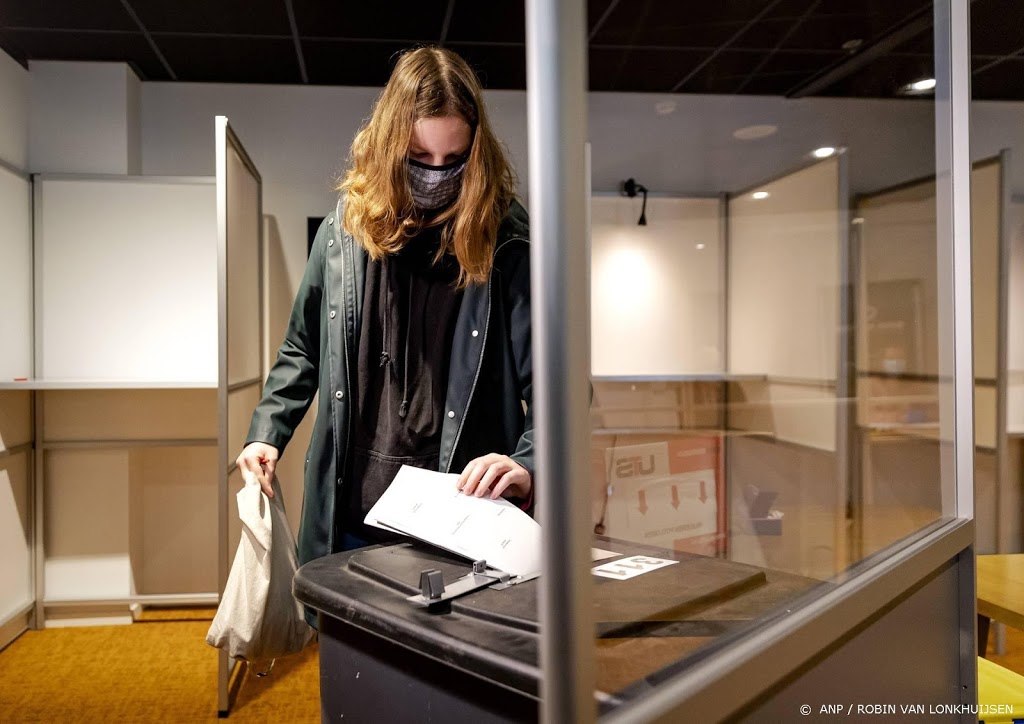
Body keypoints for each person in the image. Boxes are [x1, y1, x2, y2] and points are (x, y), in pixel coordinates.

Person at [236, 46, 534, 579]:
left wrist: (529, 464)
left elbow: (560, 387)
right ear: (389, 145)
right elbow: (302, 348)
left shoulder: (505, 240)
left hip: (463, 521)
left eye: (454, 159)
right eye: (419, 158)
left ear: (476, 150)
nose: (436, 175)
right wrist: (267, 431)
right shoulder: (342, 233)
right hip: (354, 514)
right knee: (351, 659)